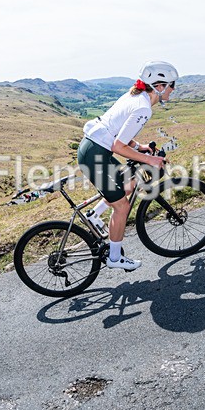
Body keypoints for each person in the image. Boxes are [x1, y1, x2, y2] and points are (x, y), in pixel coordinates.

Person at [77, 60, 174, 270]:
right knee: (122, 207)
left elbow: (119, 132)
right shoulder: (143, 107)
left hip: (93, 148)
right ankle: (114, 258)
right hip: (96, 154)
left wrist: (140, 147)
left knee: (129, 182)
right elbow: (118, 146)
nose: (173, 89)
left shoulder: (136, 96)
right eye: (171, 85)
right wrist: (151, 159)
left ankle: (94, 215)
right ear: (159, 86)